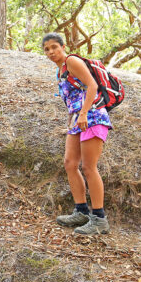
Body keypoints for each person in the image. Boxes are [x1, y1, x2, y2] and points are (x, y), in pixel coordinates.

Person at [43, 33, 112, 235]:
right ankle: (81, 211)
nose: (51, 52)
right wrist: (73, 118)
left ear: (63, 46)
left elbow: (92, 85)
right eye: (47, 49)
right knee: (70, 164)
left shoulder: (72, 61)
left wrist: (83, 113)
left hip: (92, 116)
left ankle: (99, 219)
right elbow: (73, 96)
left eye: (54, 47)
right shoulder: (60, 71)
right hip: (77, 120)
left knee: (89, 167)